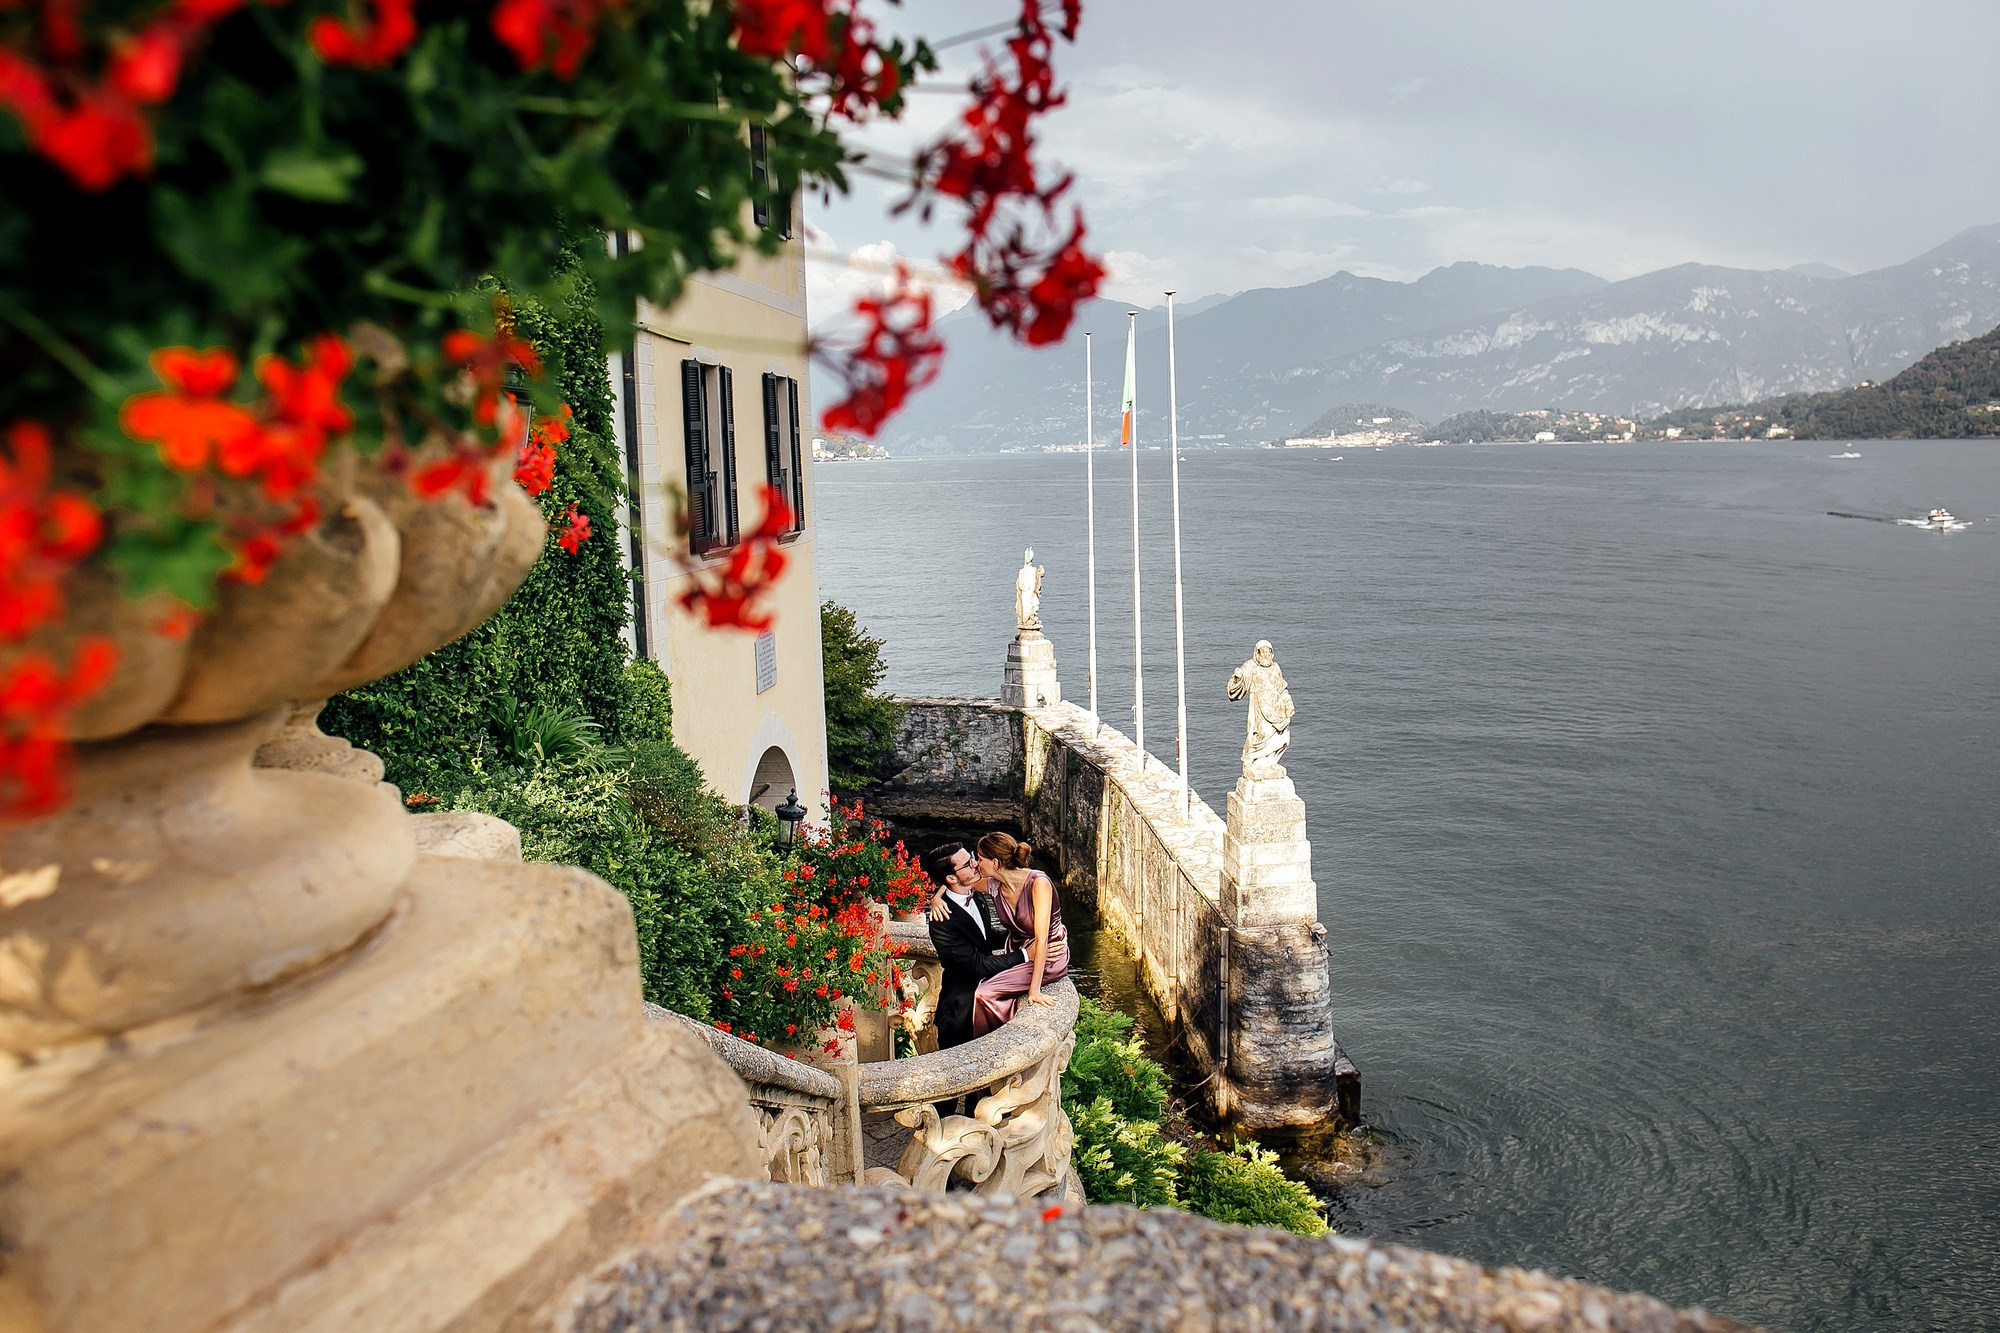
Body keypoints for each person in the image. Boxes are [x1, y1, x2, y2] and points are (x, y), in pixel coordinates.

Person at [931, 831, 1068, 1037]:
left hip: (1047, 952)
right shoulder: (992, 884)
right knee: (986, 989)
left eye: (978, 858)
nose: (976, 864)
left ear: (995, 863)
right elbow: (955, 884)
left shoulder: (1038, 883)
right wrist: (937, 898)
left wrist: (1035, 991)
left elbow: (1041, 941)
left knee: (984, 993)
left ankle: (995, 1039)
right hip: (1019, 948)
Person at [921, 842, 1029, 1051]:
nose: (974, 864)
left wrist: (1021, 936)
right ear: (952, 878)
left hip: (988, 999)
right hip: (961, 1014)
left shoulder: (976, 895)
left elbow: (986, 937)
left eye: (971, 857)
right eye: (967, 864)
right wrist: (1025, 955)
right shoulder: (941, 921)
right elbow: (978, 965)